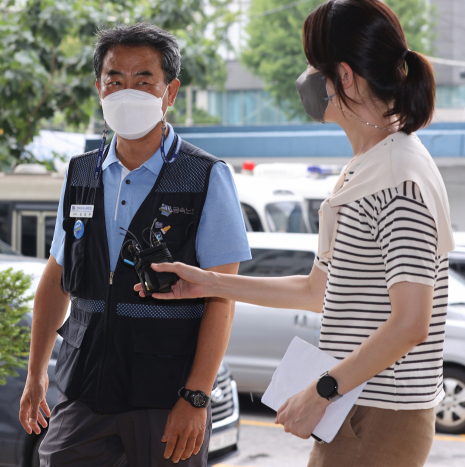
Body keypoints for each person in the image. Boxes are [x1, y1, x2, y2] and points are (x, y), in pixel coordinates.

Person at [135, 1, 455, 466]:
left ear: (343, 77)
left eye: (312, 64)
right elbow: (316, 290)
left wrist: (322, 391)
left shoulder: (398, 177)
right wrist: (207, 283)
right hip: (355, 410)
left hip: (379, 414)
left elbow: (411, 322)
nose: (306, 77)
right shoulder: (367, 167)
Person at [18, 23, 251, 466]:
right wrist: (36, 375)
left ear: (171, 92)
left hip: (166, 395)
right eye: (115, 80)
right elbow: (56, 276)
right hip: (83, 389)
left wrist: (196, 397)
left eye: (144, 80)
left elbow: (222, 297)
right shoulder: (80, 173)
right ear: (99, 89)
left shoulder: (204, 176)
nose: (128, 92)